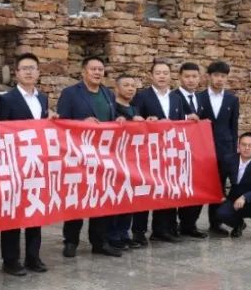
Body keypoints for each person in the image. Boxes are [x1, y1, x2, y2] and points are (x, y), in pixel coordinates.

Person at [56, 55, 124, 258]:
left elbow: (111, 118)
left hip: (103, 155)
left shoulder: (108, 94)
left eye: (100, 69)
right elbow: (61, 123)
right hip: (78, 154)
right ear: (83, 71)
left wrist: (119, 119)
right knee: (77, 198)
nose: (97, 72)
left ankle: (99, 242)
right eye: (93, 69)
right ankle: (71, 241)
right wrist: (81, 123)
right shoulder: (70, 93)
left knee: (101, 198)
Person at [0, 53, 51, 276]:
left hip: (37, 162)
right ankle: (11, 260)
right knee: (14, 212)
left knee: (35, 208)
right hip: (15, 162)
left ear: (38, 72)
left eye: (32, 68)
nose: (29, 72)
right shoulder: (6, 100)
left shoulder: (43, 98)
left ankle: (33, 256)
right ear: (16, 73)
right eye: (24, 68)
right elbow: (1, 133)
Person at [131, 60, 190, 245]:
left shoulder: (176, 98)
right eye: (158, 73)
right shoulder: (142, 96)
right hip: (147, 152)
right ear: (151, 76)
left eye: (165, 73)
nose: (162, 76)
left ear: (171, 76)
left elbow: (180, 124)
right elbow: (134, 120)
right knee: (144, 192)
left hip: (169, 152)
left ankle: (162, 230)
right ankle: (138, 232)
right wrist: (146, 122)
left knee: (167, 190)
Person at [199, 61, 240, 237]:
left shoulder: (232, 99)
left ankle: (216, 223)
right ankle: (188, 224)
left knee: (220, 187)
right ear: (209, 76)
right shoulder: (199, 98)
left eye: (223, 76)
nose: (219, 79)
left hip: (225, 150)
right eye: (216, 75)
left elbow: (233, 127)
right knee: (200, 185)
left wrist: (234, 151)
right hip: (203, 149)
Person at [108, 74, 145, 250]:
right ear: (116, 88)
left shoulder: (135, 109)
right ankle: (112, 235)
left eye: (133, 85)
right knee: (116, 197)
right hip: (115, 159)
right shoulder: (111, 108)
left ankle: (124, 233)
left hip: (132, 159)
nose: (130, 89)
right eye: (126, 85)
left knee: (129, 197)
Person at [174, 62, 206, 238]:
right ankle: (173, 225)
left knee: (197, 188)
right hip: (177, 150)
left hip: (197, 152)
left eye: (194, 76)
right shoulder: (172, 96)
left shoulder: (201, 98)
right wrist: (186, 118)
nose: (191, 80)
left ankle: (189, 224)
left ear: (199, 78)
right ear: (180, 77)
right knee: (177, 189)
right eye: (187, 76)